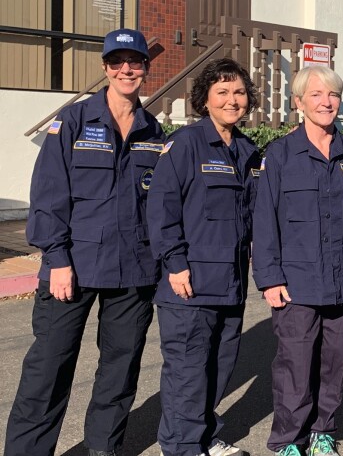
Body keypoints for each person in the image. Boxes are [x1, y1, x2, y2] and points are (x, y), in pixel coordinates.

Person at [5, 29, 165, 456]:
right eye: (118, 62)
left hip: (134, 269)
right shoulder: (73, 121)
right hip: (72, 267)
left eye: (135, 62)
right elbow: (49, 194)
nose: (127, 69)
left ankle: (102, 449)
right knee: (49, 370)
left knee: (120, 369)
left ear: (146, 68)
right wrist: (56, 259)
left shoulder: (153, 129)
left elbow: (160, 202)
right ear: (105, 69)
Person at [252, 65, 343, 456]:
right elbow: (265, 221)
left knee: (334, 362)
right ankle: (288, 439)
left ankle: (322, 431)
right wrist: (270, 277)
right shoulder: (279, 155)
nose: (326, 102)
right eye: (316, 95)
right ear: (299, 103)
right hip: (296, 282)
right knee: (294, 365)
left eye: (332, 94)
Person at [147, 58, 261, 456]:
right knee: (188, 369)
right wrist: (174, 263)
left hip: (230, 281)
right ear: (206, 99)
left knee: (221, 364)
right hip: (190, 281)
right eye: (223, 93)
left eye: (239, 92)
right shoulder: (185, 144)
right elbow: (161, 209)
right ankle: (180, 446)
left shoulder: (247, 150)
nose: (232, 100)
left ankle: (204, 436)